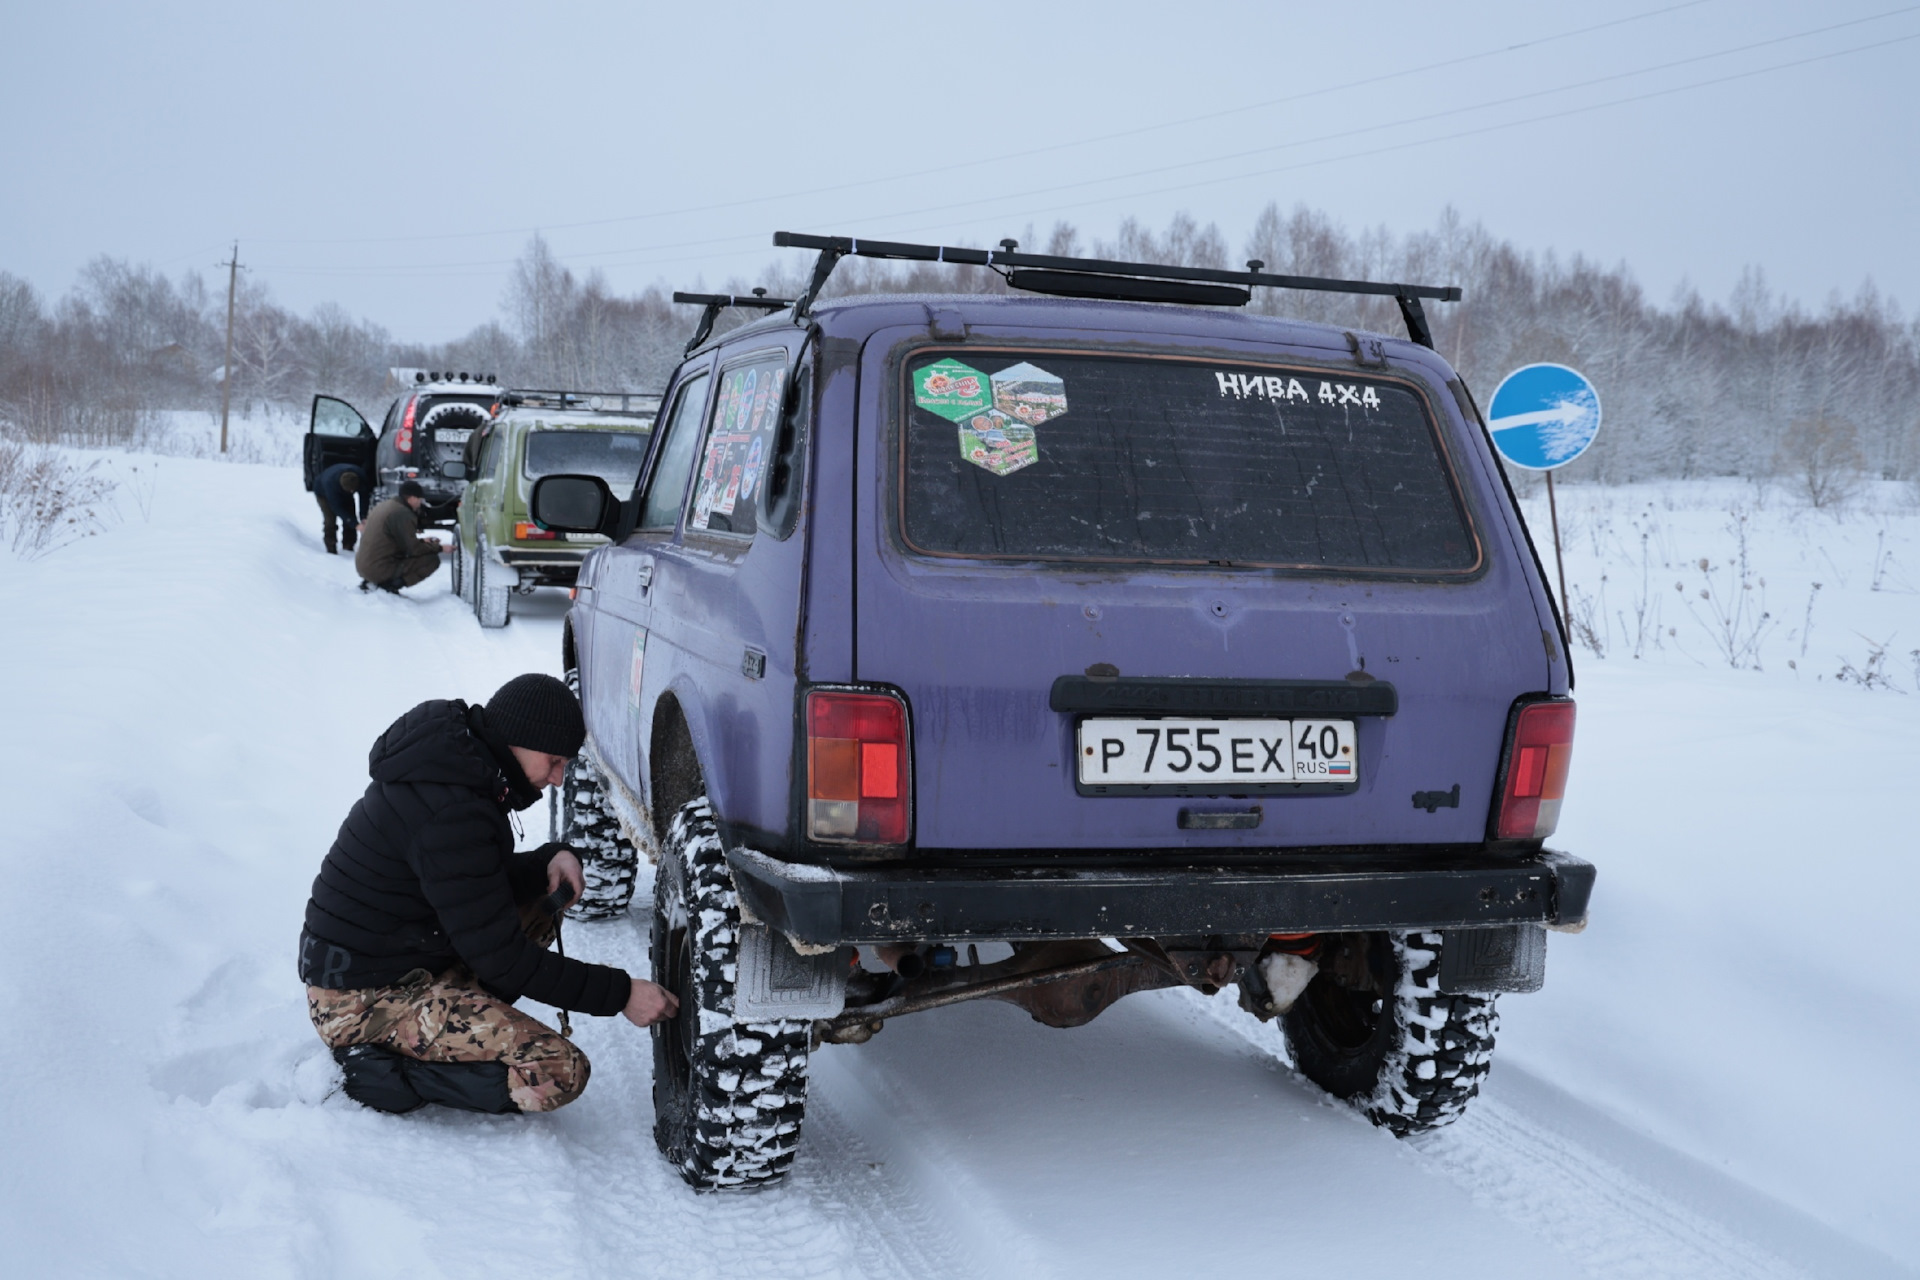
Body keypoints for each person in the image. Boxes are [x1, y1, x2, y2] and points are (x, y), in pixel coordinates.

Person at [298, 673, 678, 1114]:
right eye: (554, 760)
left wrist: (548, 861)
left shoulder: (465, 772)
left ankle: (455, 1020)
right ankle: (375, 1073)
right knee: (555, 1073)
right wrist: (621, 993)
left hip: (403, 960)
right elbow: (502, 958)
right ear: (518, 740)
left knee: (542, 902)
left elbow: (472, 882)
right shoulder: (452, 809)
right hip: (359, 1003)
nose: (558, 778)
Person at [354, 480, 448, 593]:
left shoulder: (386, 506)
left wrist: (423, 541)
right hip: (376, 569)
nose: (420, 503)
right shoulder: (403, 513)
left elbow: (395, 540)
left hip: (364, 566)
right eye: (419, 499)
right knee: (431, 560)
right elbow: (413, 550)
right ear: (412, 498)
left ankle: (374, 581)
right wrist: (440, 548)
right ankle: (388, 586)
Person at [314, 461, 369, 555]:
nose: (352, 492)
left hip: (343, 490)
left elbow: (364, 497)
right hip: (323, 494)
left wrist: (363, 517)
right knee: (330, 520)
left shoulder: (361, 476)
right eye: (350, 491)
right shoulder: (330, 485)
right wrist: (356, 525)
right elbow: (337, 508)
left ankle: (349, 545)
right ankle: (331, 548)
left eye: (353, 491)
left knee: (351, 514)